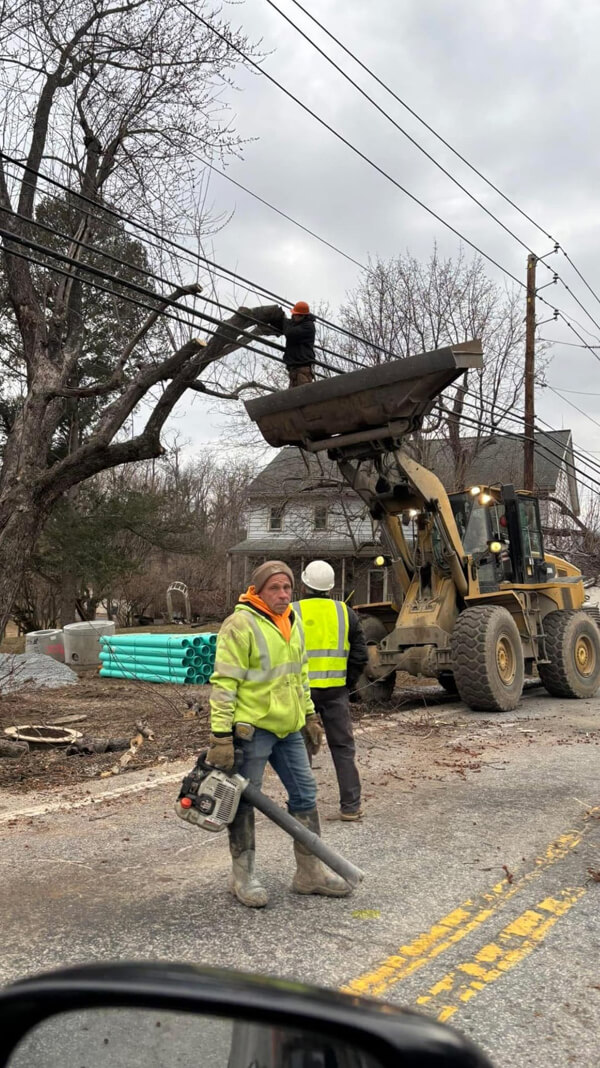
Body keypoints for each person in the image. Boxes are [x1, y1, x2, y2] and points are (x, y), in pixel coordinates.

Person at [208, 560, 352, 908]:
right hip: (252, 731)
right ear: (257, 591)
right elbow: (224, 683)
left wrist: (309, 717)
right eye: (275, 588)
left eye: (287, 588)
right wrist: (220, 736)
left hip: (288, 730)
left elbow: (299, 675)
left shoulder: (292, 621)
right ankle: (242, 876)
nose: (283, 594)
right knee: (245, 801)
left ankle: (309, 874)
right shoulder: (239, 624)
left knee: (305, 794)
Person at [293, 561, 368, 822]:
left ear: (304, 584)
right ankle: (351, 806)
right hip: (336, 691)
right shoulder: (345, 612)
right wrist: (348, 683)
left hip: (302, 693)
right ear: (330, 587)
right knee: (343, 748)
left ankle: (302, 809)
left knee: (301, 749)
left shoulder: (292, 612)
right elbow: (360, 653)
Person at [270, 301, 316, 387]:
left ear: (302, 316)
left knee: (303, 396)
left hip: (303, 370)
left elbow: (289, 333)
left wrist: (285, 321)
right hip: (294, 370)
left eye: (296, 315)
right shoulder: (296, 324)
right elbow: (287, 326)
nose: (293, 317)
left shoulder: (308, 326)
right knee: (293, 398)